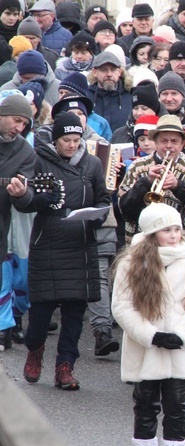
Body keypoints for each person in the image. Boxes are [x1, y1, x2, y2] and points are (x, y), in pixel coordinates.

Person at [111, 202, 185, 446]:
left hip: (180, 350)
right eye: (166, 229)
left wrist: (182, 334)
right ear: (153, 232)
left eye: (177, 229)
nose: (174, 234)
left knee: (177, 407)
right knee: (145, 406)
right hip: (146, 350)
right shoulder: (133, 263)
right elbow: (122, 306)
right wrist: (151, 336)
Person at [13, 111, 110, 389]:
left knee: (74, 314)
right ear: (56, 139)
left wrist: (97, 215)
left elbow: (103, 197)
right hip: (48, 242)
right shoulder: (38, 160)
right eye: (66, 139)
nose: (71, 145)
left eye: (76, 139)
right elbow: (25, 200)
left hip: (80, 244)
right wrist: (37, 199)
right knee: (41, 311)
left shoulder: (91, 164)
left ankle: (65, 366)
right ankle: (35, 349)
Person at [118, 114, 185, 244]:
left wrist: (179, 187)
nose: (169, 146)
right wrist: (146, 182)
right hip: (144, 243)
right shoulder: (138, 166)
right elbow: (124, 210)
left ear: (182, 144)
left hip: (180, 243)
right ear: (156, 143)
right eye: (164, 141)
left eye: (174, 141)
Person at [0, 93, 37, 351]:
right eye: (16, 120)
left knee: (9, 277)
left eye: (24, 124)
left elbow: (27, 195)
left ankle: (6, 326)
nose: (19, 128)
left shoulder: (24, 149)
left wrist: (21, 194)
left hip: (3, 220)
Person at [87, 51, 132, 131]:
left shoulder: (130, 95)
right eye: (103, 70)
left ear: (119, 72)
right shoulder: (86, 96)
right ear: (94, 72)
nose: (109, 74)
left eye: (113, 70)